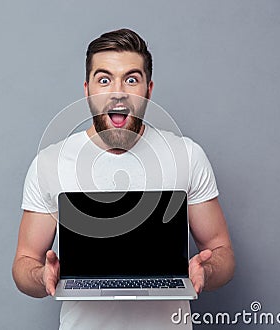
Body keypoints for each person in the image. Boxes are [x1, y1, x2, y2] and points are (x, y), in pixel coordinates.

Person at [12, 28, 235, 329]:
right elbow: (25, 261)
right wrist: (42, 276)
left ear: (149, 90)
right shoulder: (50, 163)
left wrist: (206, 271)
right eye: (104, 79)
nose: (118, 91)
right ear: (87, 89)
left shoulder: (187, 155)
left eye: (131, 79)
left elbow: (222, 251)